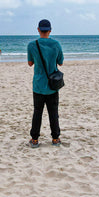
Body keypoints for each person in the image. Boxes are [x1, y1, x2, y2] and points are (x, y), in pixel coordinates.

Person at [27, 19, 64, 148]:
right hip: (52, 86)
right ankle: (55, 139)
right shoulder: (56, 44)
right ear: (50, 30)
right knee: (53, 112)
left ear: (38, 29)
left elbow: (30, 63)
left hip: (38, 84)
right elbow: (60, 62)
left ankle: (35, 140)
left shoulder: (32, 45)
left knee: (37, 112)